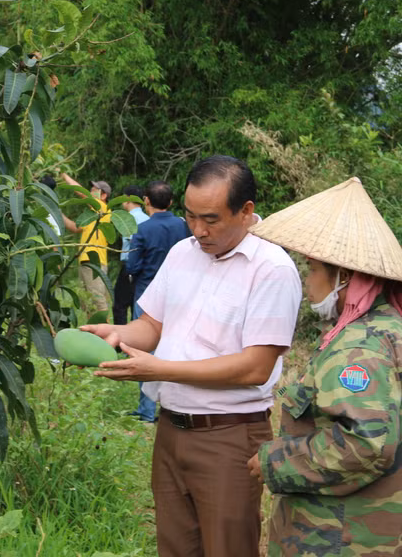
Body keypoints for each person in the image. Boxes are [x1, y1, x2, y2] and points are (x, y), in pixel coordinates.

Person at [83, 155, 302, 557]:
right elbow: (152, 326)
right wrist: (116, 334)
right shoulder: (183, 252)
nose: (199, 230)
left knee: (227, 548)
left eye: (211, 219)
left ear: (246, 211)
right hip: (170, 431)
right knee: (176, 547)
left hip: (229, 437)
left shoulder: (271, 270)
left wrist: (160, 368)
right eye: (190, 216)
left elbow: (256, 367)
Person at [245, 177, 402, 556]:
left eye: (312, 269)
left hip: (338, 538)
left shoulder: (361, 346)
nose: (307, 280)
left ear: (343, 276)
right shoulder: (381, 327)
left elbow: (364, 444)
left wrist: (275, 461)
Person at [124, 180, 190, 423]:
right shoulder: (183, 226)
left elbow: (132, 264)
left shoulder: (143, 229)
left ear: (146, 201)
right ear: (171, 202)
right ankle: (174, 405)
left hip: (147, 293)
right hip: (179, 293)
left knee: (144, 350)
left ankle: (146, 410)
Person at [60, 172, 112, 314]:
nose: (90, 192)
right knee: (88, 302)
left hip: (95, 261)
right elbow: (74, 227)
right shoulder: (92, 215)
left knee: (97, 300)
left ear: (103, 196)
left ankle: (104, 332)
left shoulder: (102, 208)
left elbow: (80, 192)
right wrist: (57, 211)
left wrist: (64, 176)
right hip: (85, 261)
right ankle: (92, 333)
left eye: (94, 191)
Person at [113, 185, 149, 325]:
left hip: (130, 265)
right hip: (144, 266)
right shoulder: (146, 218)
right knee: (136, 303)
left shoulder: (128, 219)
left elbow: (132, 242)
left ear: (128, 199)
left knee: (120, 306)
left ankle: (119, 341)